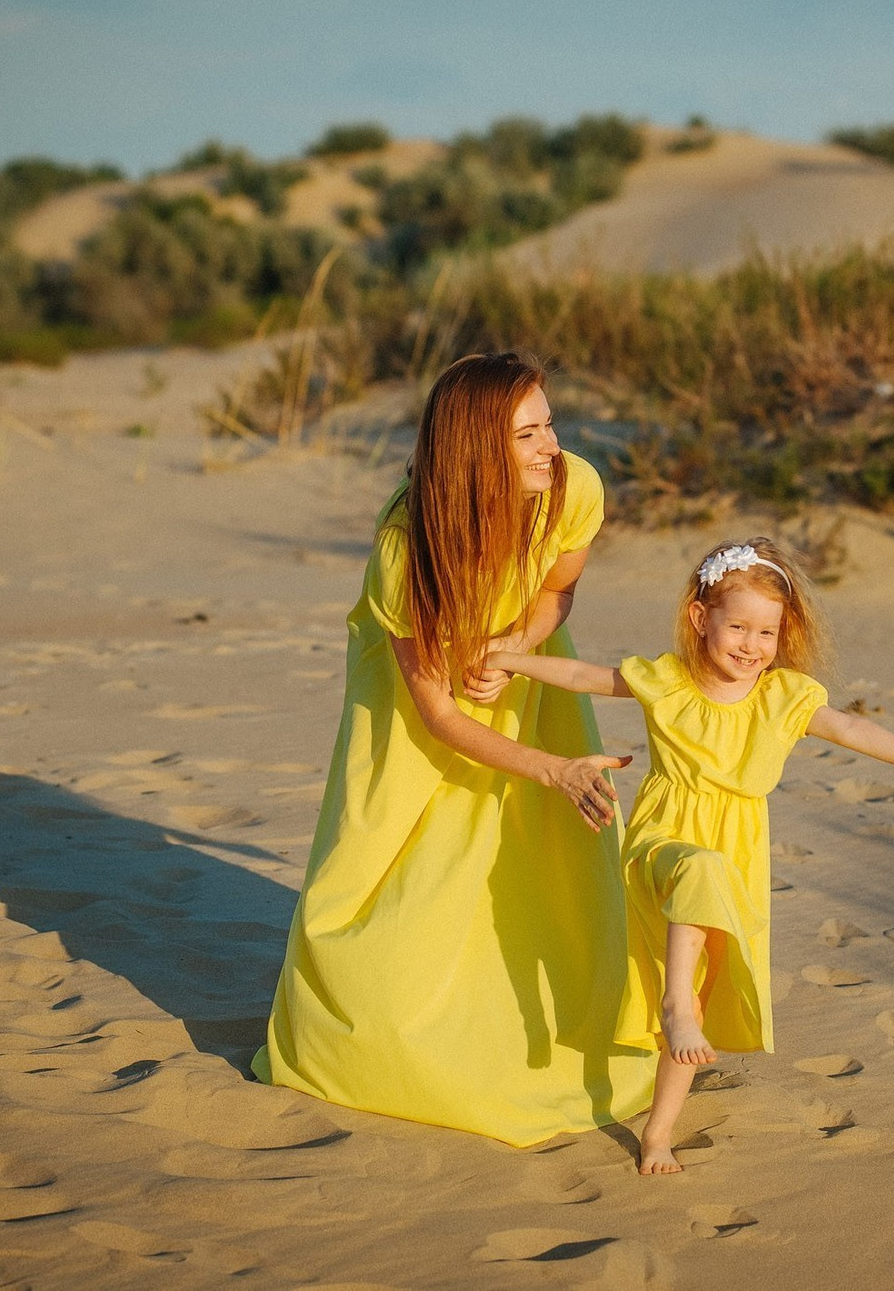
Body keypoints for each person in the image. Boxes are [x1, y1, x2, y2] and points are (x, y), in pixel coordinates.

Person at [253, 352, 654, 1147]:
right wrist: (555, 770)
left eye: (550, 425)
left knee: (533, 869)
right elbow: (436, 711)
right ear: (476, 450)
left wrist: (516, 646)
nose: (553, 446)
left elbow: (557, 589)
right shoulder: (406, 549)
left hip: (522, 673)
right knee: (387, 864)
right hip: (416, 705)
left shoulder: (572, 486)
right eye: (528, 434)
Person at [486, 536, 894, 1173]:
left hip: (737, 853)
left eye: (767, 632)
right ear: (701, 618)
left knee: (700, 991)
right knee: (698, 881)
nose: (751, 645)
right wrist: (510, 659)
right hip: (664, 839)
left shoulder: (783, 697)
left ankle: (658, 1133)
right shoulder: (668, 682)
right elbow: (588, 677)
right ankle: (675, 1006)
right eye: (738, 627)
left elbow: (848, 726)